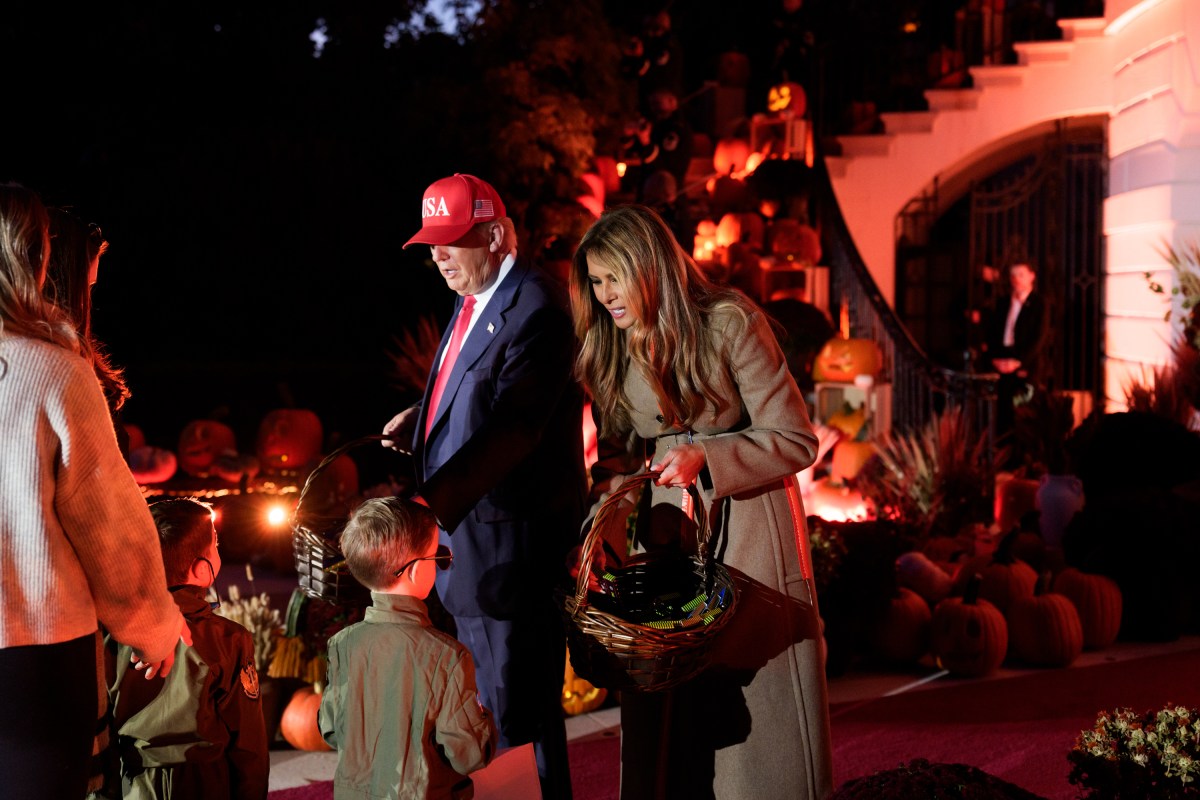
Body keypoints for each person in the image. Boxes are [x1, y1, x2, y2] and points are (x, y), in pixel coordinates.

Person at [569, 204, 834, 800]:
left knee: (757, 692)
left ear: (651, 267)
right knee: (670, 703)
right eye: (596, 281)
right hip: (665, 532)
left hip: (749, 529)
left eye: (616, 278)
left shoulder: (730, 322)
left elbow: (796, 438)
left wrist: (708, 459)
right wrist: (599, 534)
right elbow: (612, 460)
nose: (606, 295)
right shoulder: (607, 345)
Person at [381, 173, 586, 800]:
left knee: (516, 720)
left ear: (496, 235)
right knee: (491, 719)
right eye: (431, 244)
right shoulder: (477, 295)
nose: (437, 255)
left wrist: (426, 506)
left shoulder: (538, 309)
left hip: (509, 555)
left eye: (450, 241)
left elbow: (516, 428)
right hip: (471, 549)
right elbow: (483, 391)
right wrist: (426, 418)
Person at [0, 181, 185, 798]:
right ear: (32, 256)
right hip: (34, 647)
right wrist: (153, 625)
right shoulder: (51, 370)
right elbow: (108, 526)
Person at [320, 496, 498, 799]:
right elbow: (468, 754)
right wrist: (485, 720)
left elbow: (331, 729)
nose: (442, 565)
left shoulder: (342, 644)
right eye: (438, 557)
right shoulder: (448, 656)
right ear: (415, 570)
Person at [104, 497, 268, 800]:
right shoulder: (230, 639)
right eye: (215, 545)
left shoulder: (111, 635)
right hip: (205, 784)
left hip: (135, 783)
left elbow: (101, 730)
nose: (219, 550)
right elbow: (248, 741)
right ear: (201, 569)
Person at [985, 260, 1049, 438]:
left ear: (1031, 276)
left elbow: (1038, 338)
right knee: (1001, 409)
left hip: (1024, 362)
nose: (1016, 279)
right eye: (1013, 275)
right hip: (1002, 359)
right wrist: (995, 358)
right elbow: (993, 331)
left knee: (1023, 410)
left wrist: (1020, 362)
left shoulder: (1038, 304)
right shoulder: (1003, 302)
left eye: (1021, 274)